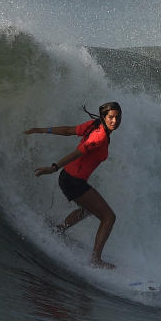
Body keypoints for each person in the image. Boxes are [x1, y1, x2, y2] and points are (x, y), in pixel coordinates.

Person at [25, 102, 122, 269]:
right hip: (73, 181)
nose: (115, 120)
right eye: (111, 117)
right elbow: (78, 152)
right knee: (109, 217)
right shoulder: (99, 136)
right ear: (104, 117)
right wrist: (53, 167)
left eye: (117, 117)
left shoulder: (94, 125)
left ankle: (59, 229)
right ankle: (96, 260)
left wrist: (42, 130)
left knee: (88, 209)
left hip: (69, 178)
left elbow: (69, 130)